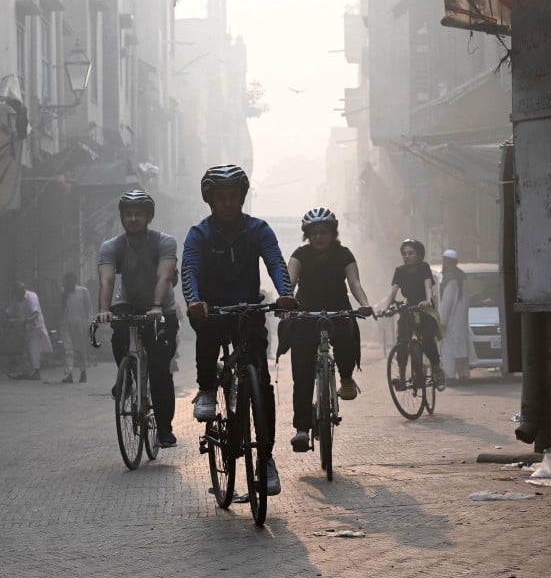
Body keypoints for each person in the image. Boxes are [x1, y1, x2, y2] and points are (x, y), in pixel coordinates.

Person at [182, 164, 296, 495]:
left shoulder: (257, 229)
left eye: (233, 196)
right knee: (207, 335)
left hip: (249, 310)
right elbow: (189, 269)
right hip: (212, 309)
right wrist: (194, 300)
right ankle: (206, 390)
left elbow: (275, 261)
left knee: (261, 381)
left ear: (241, 198)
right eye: (221, 197)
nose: (228, 203)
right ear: (211, 200)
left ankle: (267, 459)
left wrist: (285, 293)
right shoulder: (199, 234)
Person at [283, 208, 373, 453]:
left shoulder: (344, 254)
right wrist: (286, 304)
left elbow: (354, 282)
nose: (319, 237)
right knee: (301, 373)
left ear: (333, 233)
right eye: (313, 233)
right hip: (306, 312)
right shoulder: (300, 255)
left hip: (338, 309)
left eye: (323, 232)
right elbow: (288, 283)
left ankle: (345, 377)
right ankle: (301, 429)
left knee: (346, 337)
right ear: (307, 235)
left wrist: (364, 304)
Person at [96, 189, 180, 447]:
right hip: (128, 304)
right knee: (119, 336)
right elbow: (107, 278)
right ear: (122, 217)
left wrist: (156, 306)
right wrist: (104, 309)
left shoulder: (164, 242)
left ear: (149, 217)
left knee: (159, 369)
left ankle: (164, 430)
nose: (133, 219)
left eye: (138, 214)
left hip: (161, 309)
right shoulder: (111, 246)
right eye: (128, 214)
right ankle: (127, 377)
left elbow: (164, 276)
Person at [376, 238, 445, 390]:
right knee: (402, 343)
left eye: (410, 253)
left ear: (419, 254)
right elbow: (392, 293)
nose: (407, 256)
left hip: (424, 308)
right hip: (408, 308)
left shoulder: (424, 267)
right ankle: (401, 378)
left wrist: (428, 300)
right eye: (404, 253)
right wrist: (385, 308)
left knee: (427, 341)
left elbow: (428, 286)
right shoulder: (399, 271)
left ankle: (437, 369)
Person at [7, 282, 52, 381]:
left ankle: (37, 372)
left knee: (33, 349)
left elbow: (35, 313)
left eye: (18, 294)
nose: (17, 297)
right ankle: (26, 372)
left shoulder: (32, 297)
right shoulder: (17, 298)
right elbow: (10, 311)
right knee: (24, 350)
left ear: (22, 291)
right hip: (25, 328)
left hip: (35, 327)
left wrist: (27, 320)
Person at [439, 249, 472, 383]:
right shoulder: (461, 277)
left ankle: (450, 375)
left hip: (451, 320)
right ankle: (464, 375)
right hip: (461, 320)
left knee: (449, 348)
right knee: (462, 347)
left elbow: (446, 303)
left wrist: (442, 322)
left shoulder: (450, 279)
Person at [59, 272, 92, 384]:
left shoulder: (83, 291)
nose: (67, 284)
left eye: (69, 281)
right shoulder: (63, 292)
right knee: (68, 349)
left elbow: (89, 309)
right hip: (66, 325)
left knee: (80, 350)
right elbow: (62, 310)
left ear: (74, 281)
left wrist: (89, 325)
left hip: (80, 325)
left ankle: (83, 373)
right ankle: (69, 374)